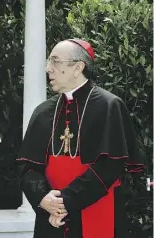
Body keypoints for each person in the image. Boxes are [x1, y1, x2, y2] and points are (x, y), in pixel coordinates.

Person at [17, 39, 145, 238]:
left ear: (78, 67)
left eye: (55, 61)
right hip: (52, 213)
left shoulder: (109, 106)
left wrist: (65, 201)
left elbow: (110, 166)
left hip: (94, 205)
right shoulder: (43, 112)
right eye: (49, 61)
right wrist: (43, 198)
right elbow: (27, 167)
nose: (48, 68)